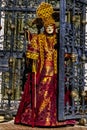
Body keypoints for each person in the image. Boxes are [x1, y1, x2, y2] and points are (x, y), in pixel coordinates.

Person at [14, 2, 76, 127]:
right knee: (41, 92)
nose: (49, 29)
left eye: (51, 27)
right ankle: (39, 117)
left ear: (54, 27)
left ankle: (58, 117)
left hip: (56, 70)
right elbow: (33, 50)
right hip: (42, 70)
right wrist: (34, 55)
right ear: (45, 28)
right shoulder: (39, 38)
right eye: (47, 27)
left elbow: (62, 52)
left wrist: (67, 55)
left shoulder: (58, 38)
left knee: (56, 92)